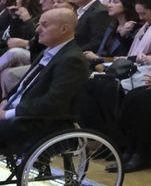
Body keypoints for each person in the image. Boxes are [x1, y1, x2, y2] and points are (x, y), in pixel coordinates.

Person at [0, 8, 87, 152]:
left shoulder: (72, 60)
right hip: (22, 111)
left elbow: (54, 102)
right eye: (38, 24)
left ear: (64, 29)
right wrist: (6, 100)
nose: (38, 30)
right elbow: (25, 84)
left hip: (40, 122)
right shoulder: (49, 50)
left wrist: (9, 113)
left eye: (44, 25)